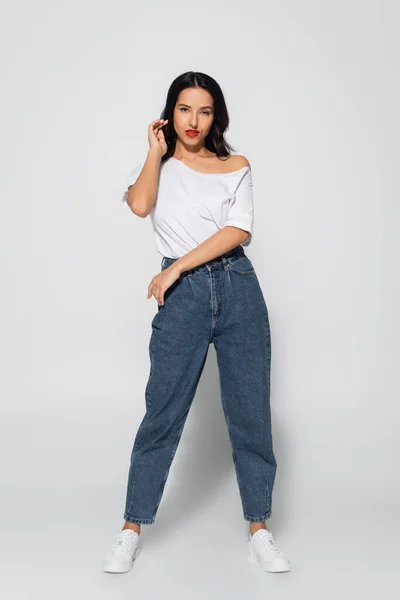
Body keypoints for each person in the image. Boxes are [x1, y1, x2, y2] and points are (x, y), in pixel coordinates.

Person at [103, 71, 291, 575]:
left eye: (204, 111)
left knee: (249, 412)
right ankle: (130, 529)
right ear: (170, 114)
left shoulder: (236, 165)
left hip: (237, 289)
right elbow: (140, 205)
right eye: (185, 109)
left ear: (216, 116)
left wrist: (178, 266)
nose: (194, 120)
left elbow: (239, 231)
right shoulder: (158, 169)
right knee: (161, 413)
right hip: (182, 301)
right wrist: (153, 151)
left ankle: (259, 529)